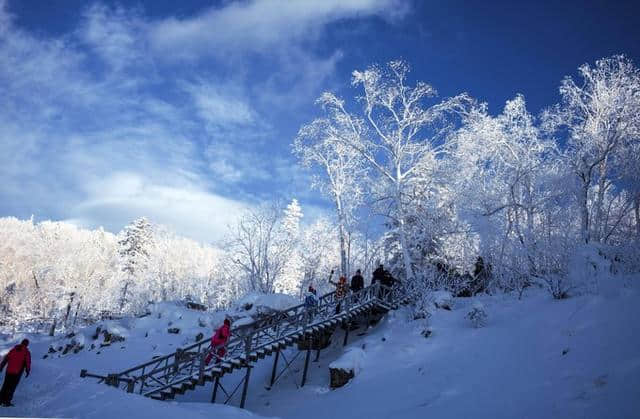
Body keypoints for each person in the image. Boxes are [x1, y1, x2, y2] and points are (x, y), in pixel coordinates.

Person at [0, 339, 31, 407]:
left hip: (8, 371)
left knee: (5, 385)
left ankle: (0, 400)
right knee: (12, 387)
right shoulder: (26, 352)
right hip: (17, 373)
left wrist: (1, 367)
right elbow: (27, 363)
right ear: (27, 344)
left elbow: (6, 358)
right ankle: (7, 402)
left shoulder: (13, 349)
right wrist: (27, 371)